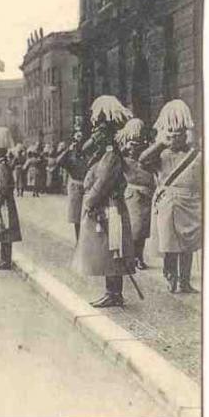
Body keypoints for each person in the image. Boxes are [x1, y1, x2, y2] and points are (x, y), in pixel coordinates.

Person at [71, 95, 134, 308]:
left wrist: (89, 202)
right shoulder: (103, 154)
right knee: (108, 250)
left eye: (99, 128)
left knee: (113, 249)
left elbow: (103, 182)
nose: (95, 132)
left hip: (110, 208)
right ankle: (112, 291)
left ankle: (114, 293)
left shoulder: (111, 155)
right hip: (106, 207)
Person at [139, 99, 202, 294]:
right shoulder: (161, 154)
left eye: (179, 133)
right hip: (168, 203)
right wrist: (159, 144)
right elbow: (142, 160)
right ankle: (170, 276)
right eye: (171, 133)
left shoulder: (197, 155)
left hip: (191, 202)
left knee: (188, 245)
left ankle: (184, 281)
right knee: (169, 244)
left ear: (186, 134)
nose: (175, 136)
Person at [116, 118, 155, 271]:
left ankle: (139, 256)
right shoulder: (123, 157)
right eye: (132, 144)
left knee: (143, 230)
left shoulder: (146, 153)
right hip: (132, 194)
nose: (134, 147)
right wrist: (125, 148)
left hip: (146, 195)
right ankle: (132, 257)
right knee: (134, 229)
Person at [0, 127, 21, 270]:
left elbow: (3, 188)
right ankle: (3, 259)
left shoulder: (2, 167)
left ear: (0, 151)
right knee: (1, 231)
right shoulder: (0, 165)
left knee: (5, 231)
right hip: (1, 204)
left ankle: (6, 261)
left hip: (3, 204)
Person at [56, 126, 88, 241]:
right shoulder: (70, 154)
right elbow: (58, 162)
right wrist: (67, 150)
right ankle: (78, 240)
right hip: (75, 186)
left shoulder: (87, 153)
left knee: (87, 215)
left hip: (87, 185)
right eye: (76, 139)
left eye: (81, 139)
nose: (79, 142)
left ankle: (84, 242)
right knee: (76, 216)